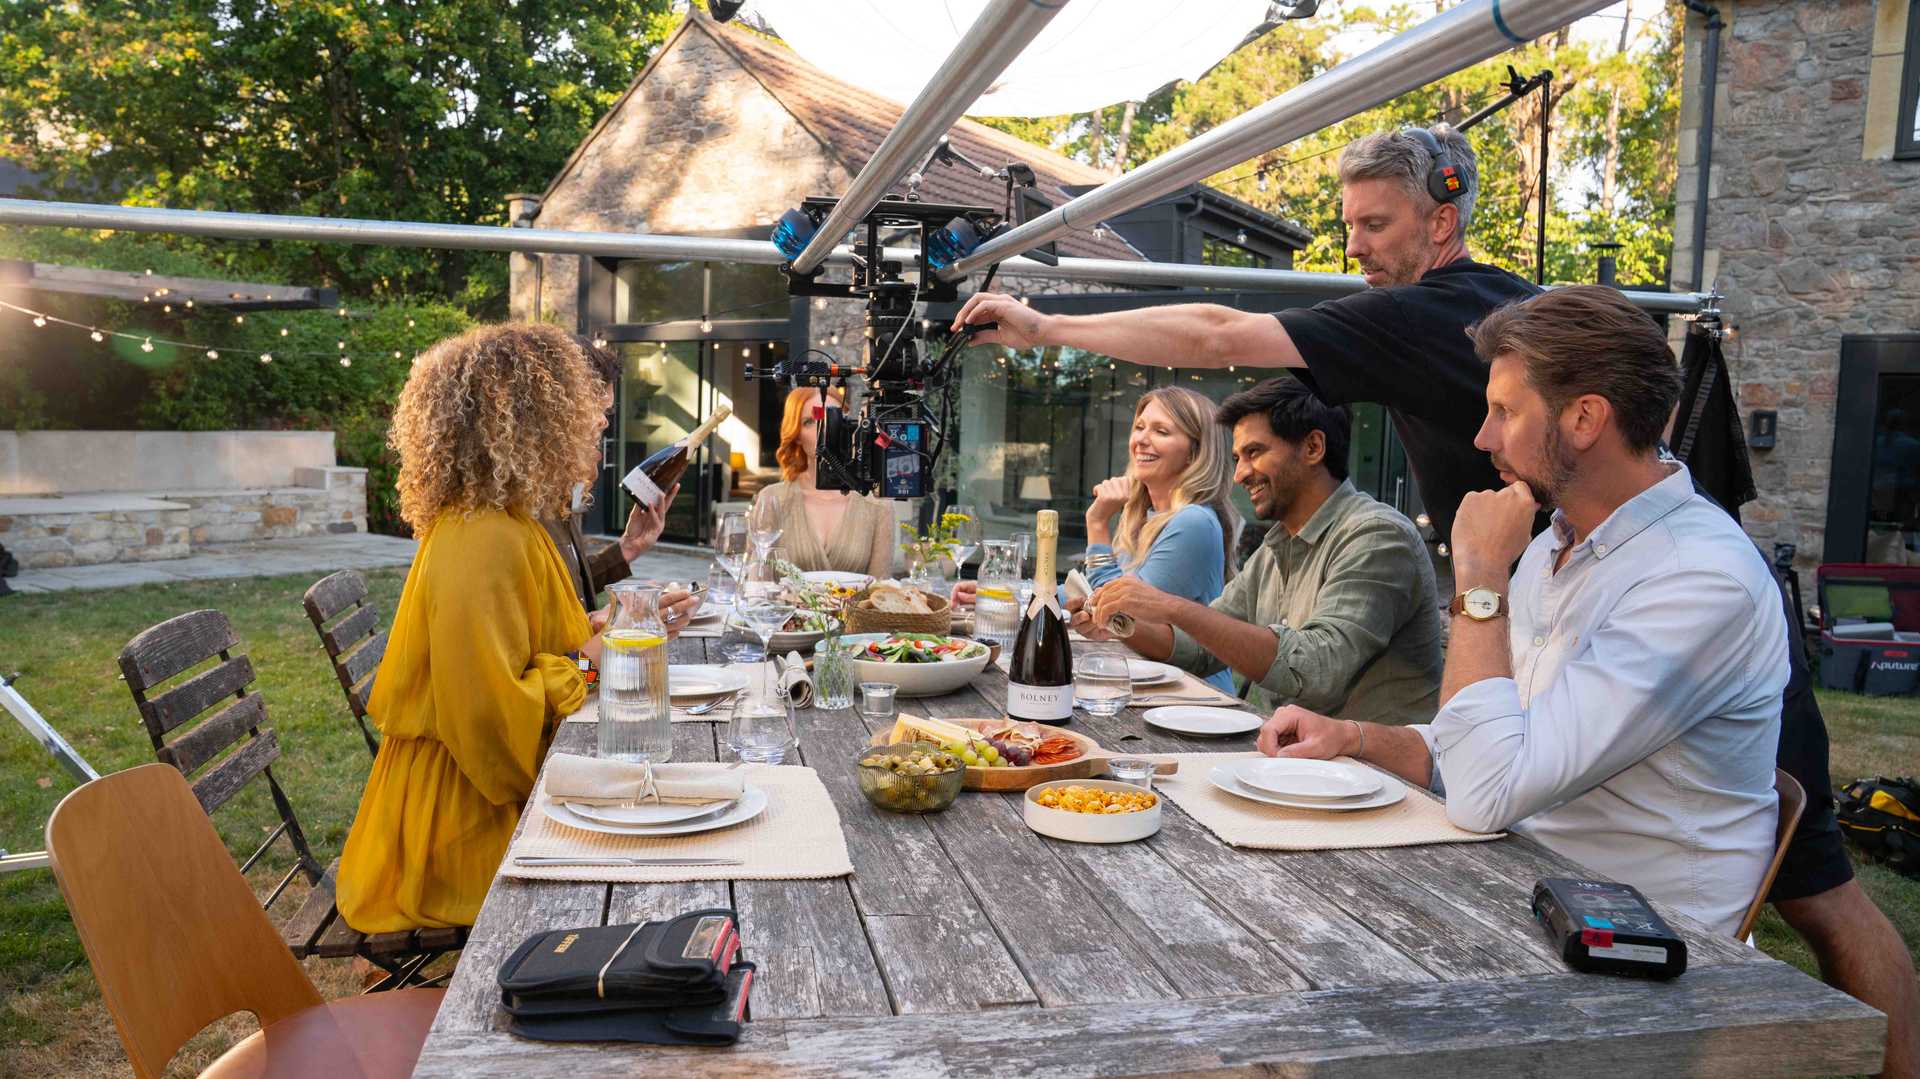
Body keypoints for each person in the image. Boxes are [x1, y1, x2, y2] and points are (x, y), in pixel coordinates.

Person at [1259, 287, 1787, 936]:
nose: (1482, 437)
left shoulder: (1700, 580)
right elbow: (1490, 747)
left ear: (1585, 418)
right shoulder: (1556, 545)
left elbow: (1486, 792)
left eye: (1504, 411)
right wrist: (1355, 738)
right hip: (1519, 892)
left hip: (1646, 957)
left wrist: (1479, 576)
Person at [953, 124, 1539, 558]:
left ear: (1441, 223)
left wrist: (1046, 327)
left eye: (1375, 225)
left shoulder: (1415, 314)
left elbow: (1218, 336)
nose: (1354, 247)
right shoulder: (1507, 296)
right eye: (1350, 226)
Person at [336, 324, 688, 932]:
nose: (598, 429)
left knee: (671, 806)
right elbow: (488, 728)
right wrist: (595, 657)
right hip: (457, 831)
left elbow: (537, 646)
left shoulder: (510, 521)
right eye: (585, 413)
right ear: (533, 422)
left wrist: (618, 623)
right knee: (659, 855)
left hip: (484, 795)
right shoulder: (485, 537)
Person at [1074, 377, 1442, 724]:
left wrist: (1171, 607)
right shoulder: (1277, 546)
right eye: (1237, 458)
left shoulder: (1376, 535)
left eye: (1254, 453)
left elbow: (1315, 668)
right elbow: (1199, 650)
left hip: (1365, 776)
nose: (1239, 475)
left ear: (1313, 448)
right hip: (1284, 757)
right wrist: (1117, 619)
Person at [1079, 386, 1241, 693]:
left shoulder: (1194, 522)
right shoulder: (1142, 517)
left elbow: (1121, 610)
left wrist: (1097, 523)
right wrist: (1005, 595)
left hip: (1194, 701)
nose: (1141, 439)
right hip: (1145, 688)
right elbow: (1087, 594)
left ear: (1195, 451)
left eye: (1161, 431)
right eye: (1139, 427)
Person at [541, 338, 697, 630]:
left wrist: (627, 548)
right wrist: (615, 629)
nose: (604, 423)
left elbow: (570, 589)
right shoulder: (503, 528)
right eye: (591, 408)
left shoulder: (553, 500)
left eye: (606, 411)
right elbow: (528, 670)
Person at [749, 387, 895, 577]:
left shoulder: (878, 504)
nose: (825, 429)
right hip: (783, 607)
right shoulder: (772, 499)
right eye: (810, 421)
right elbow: (756, 585)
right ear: (797, 435)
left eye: (834, 419)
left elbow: (880, 591)